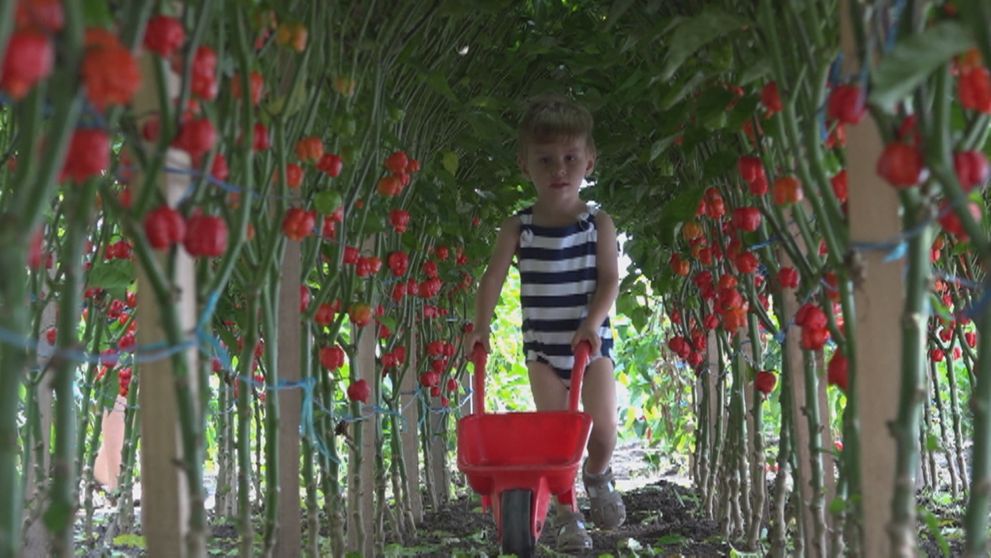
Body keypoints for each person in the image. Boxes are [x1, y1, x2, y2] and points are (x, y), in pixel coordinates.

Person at [464, 94, 626, 552]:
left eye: (570, 157)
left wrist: (592, 324)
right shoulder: (519, 226)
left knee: (603, 432)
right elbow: (492, 278)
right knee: (555, 439)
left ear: (589, 161)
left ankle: (597, 478)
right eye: (546, 159)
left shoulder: (598, 224)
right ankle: (567, 514)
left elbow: (610, 281)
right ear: (524, 164)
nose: (559, 168)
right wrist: (480, 326)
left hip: (590, 348)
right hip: (542, 351)